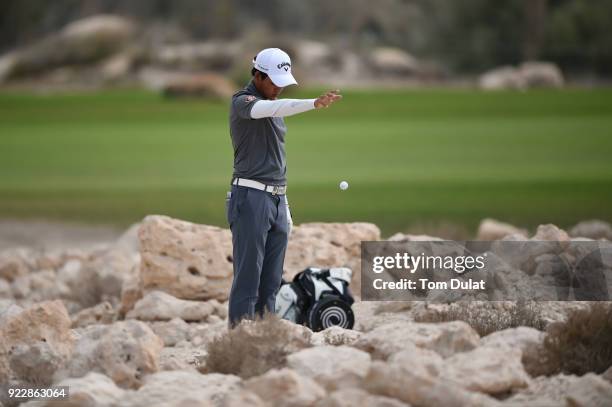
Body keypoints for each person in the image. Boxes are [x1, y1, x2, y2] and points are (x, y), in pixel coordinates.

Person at [226, 47, 342, 328]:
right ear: (259, 75)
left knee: (272, 281)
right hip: (250, 197)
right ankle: (239, 341)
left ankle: (266, 337)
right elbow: (272, 108)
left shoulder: (271, 101)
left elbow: (277, 160)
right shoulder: (244, 102)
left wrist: (284, 206)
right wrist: (313, 103)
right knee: (248, 280)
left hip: (276, 199)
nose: (279, 88)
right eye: (275, 81)